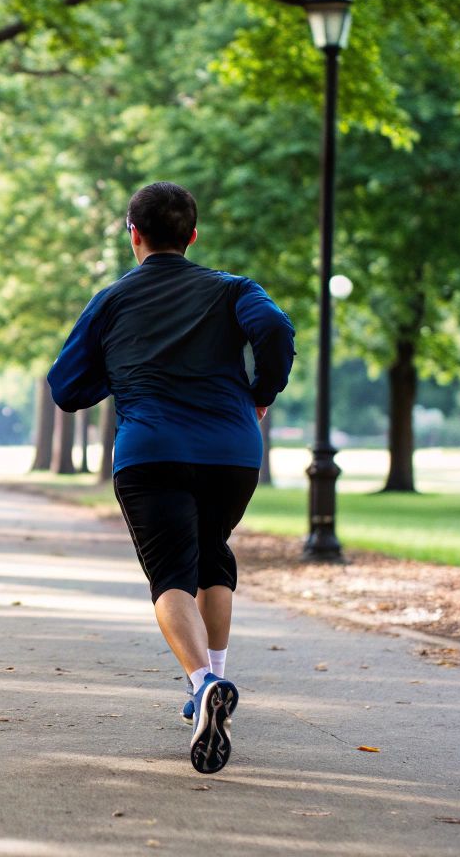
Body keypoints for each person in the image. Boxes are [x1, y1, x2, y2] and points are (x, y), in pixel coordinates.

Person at [46, 181, 294, 775]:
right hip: (233, 451)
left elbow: (66, 387)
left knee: (170, 574)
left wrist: (126, 370)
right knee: (213, 555)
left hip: (152, 450)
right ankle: (215, 686)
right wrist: (261, 393)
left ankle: (204, 682)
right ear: (193, 235)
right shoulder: (234, 289)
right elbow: (277, 331)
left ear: (133, 233)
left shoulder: (112, 301)